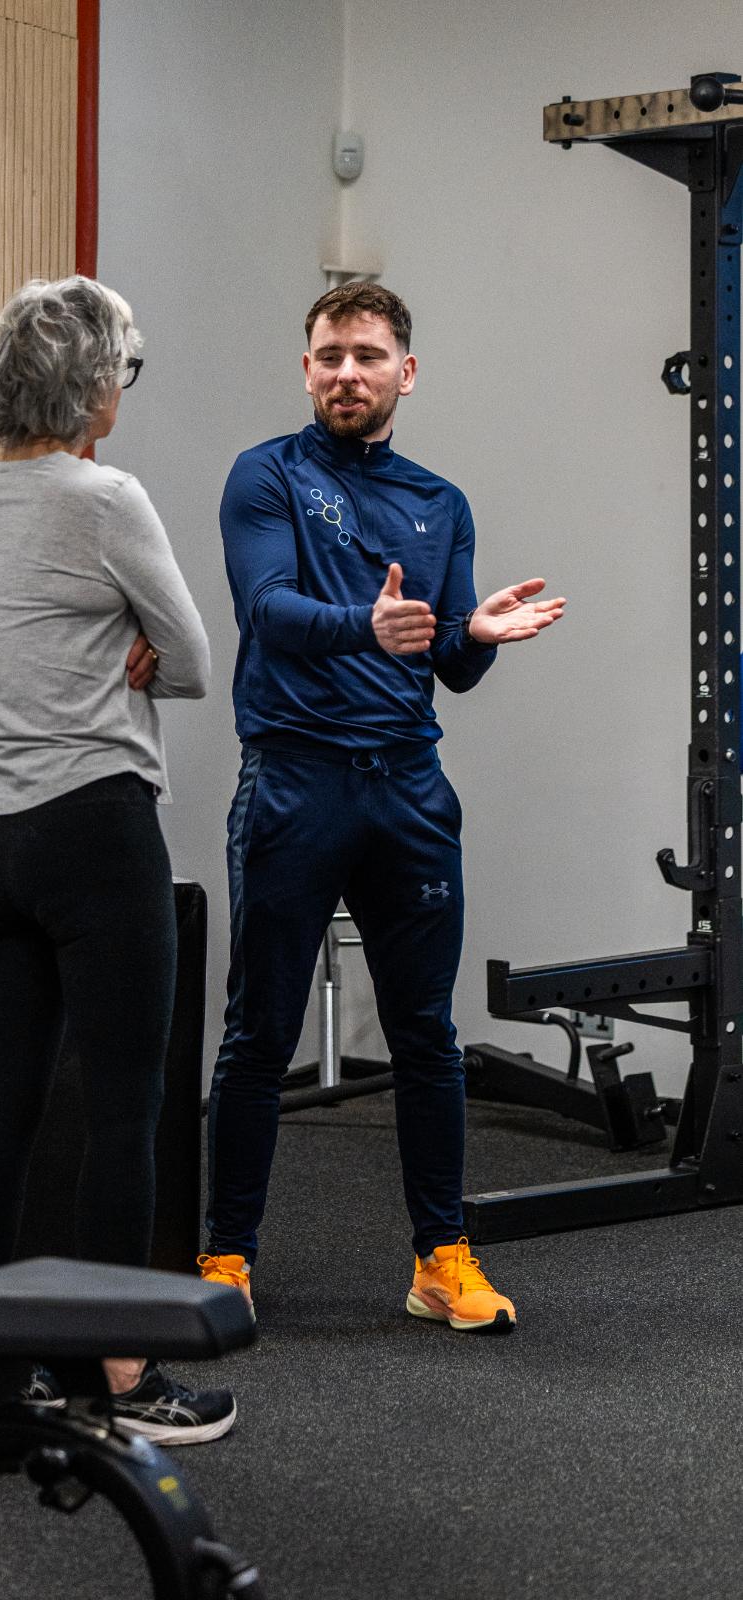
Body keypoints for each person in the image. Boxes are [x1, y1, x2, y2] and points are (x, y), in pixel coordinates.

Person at [197, 280, 565, 1331]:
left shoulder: (438, 503)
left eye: (365, 355)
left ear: (406, 370)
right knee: (256, 1032)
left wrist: (474, 636)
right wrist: (372, 626)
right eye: (327, 355)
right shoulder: (262, 476)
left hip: (406, 788)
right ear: (304, 369)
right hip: (293, 782)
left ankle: (439, 1257)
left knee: (424, 1034)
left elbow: (442, 661)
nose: (345, 373)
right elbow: (267, 610)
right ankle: (225, 1259)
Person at [0, 275, 235, 1442]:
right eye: (127, 367)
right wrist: (142, 650)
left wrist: (127, 643)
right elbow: (197, 660)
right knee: (125, 1107)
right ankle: (121, 1376)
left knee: (5, 1101)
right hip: (93, 831)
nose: (126, 388)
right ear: (89, 385)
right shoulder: (106, 498)